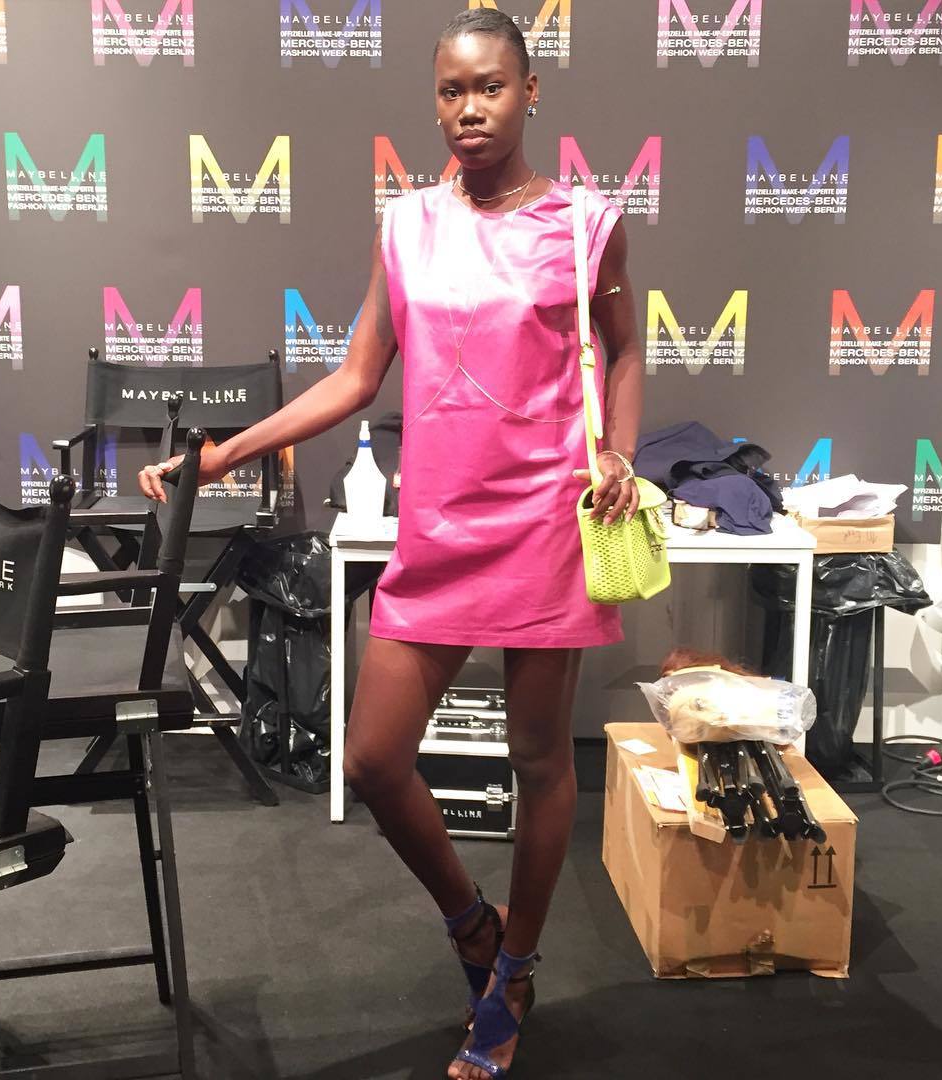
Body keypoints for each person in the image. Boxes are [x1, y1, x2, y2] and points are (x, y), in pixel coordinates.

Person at [139, 10, 643, 1078]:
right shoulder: (407, 224)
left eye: (491, 87)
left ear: (531, 90)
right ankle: (475, 927)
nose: (471, 109)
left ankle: (514, 977)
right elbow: (356, 377)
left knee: (541, 762)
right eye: (452, 91)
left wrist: (621, 454)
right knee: (372, 758)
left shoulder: (584, 224)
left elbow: (627, 348)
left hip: (547, 525)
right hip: (441, 528)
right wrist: (222, 457)